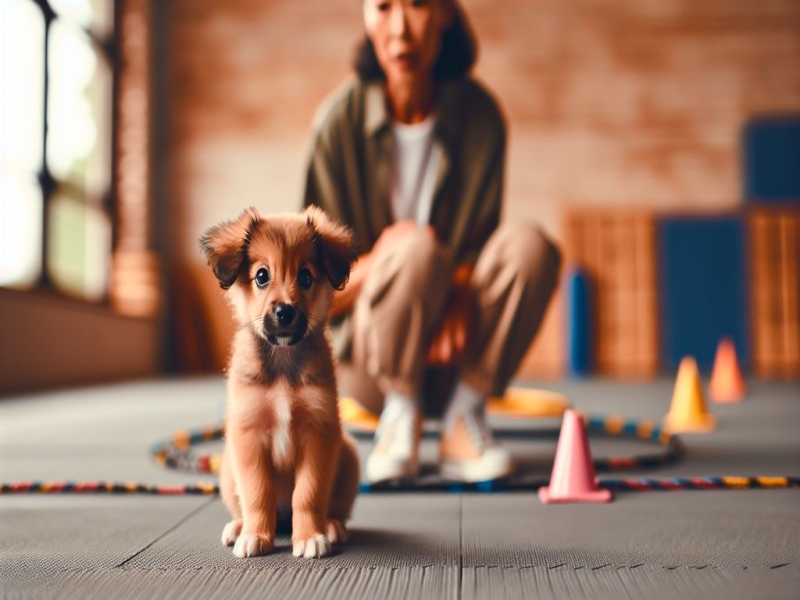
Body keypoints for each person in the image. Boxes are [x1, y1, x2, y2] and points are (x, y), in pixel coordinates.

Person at [301, 0, 561, 484]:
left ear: (444, 12)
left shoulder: (482, 116)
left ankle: (465, 418)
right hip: (371, 367)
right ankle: (400, 419)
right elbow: (310, 294)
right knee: (413, 250)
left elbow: (483, 250)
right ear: (365, 14)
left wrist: (458, 291)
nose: (399, 28)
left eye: (417, 4)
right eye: (382, 6)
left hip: (456, 359)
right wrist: (383, 260)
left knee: (533, 247)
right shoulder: (336, 126)